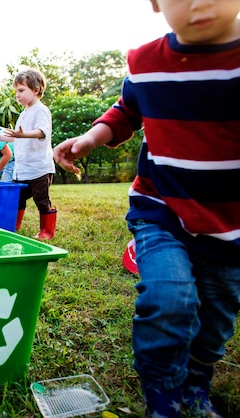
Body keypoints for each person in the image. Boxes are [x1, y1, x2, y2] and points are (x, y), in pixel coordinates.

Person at [53, 0, 240, 416]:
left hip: (229, 222)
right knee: (169, 298)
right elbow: (126, 111)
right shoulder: (145, 62)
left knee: (216, 317)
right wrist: (90, 138)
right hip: (161, 210)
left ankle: (196, 384)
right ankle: (163, 397)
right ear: (155, 3)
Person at [0, 68, 56, 239]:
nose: (17, 95)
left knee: (42, 201)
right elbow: (17, 138)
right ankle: (13, 225)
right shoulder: (23, 114)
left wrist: (23, 134)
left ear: (36, 90)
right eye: (16, 91)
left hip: (39, 168)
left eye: (21, 90)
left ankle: (47, 231)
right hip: (21, 169)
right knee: (16, 199)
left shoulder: (41, 110)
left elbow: (41, 132)